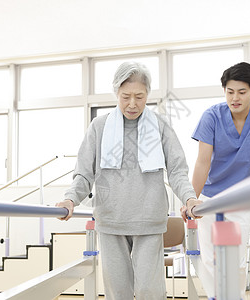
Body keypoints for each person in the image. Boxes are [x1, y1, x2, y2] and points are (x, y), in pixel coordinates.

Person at [56, 61, 197, 300]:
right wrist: (70, 199)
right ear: (116, 93)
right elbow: (84, 172)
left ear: (147, 95)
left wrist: (189, 197)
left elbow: (177, 170)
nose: (132, 104)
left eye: (139, 97)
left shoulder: (161, 126)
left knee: (148, 292)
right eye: (125, 97)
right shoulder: (99, 126)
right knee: (117, 293)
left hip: (149, 220)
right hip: (111, 220)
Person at [181, 62, 250, 298]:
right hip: (211, 197)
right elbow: (202, 162)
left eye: (242, 92)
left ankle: (234, 296)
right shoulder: (211, 116)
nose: (235, 98)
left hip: (243, 197)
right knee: (211, 261)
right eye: (230, 92)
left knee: (236, 262)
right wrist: (191, 198)